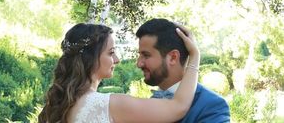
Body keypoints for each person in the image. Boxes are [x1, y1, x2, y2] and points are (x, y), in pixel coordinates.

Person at [38, 22, 200, 123]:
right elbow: (178, 107)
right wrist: (194, 56)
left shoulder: (67, 104)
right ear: (91, 58)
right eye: (111, 52)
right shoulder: (108, 105)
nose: (117, 59)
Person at [136, 18, 230, 123]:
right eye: (140, 55)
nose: (139, 63)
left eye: (146, 55)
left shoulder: (211, 106)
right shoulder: (149, 104)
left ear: (173, 57)